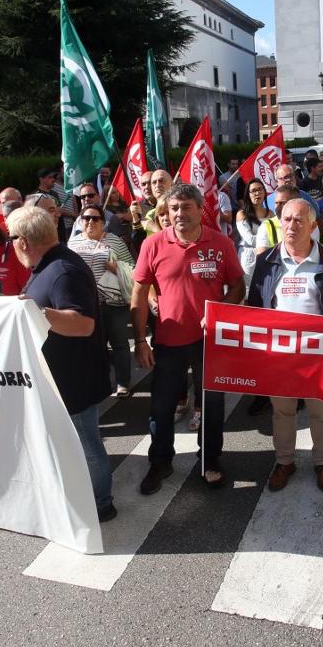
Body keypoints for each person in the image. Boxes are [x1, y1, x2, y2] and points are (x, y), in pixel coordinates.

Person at [131, 183, 244, 493]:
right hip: (168, 341)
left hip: (210, 341)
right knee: (162, 406)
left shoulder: (220, 243)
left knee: (212, 404)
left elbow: (237, 286)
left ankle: (210, 459)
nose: (179, 213)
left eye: (185, 207)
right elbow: (139, 293)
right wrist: (140, 340)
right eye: (173, 208)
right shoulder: (153, 244)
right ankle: (160, 462)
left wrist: (220, 313)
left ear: (199, 209)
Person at [7, 206, 117, 522]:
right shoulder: (50, 264)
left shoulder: (63, 270)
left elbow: (82, 324)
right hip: (63, 376)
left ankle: (101, 505)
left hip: (75, 379)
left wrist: (35, 313)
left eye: (11, 240)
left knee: (87, 445)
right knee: (75, 443)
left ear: (23, 241)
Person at [247, 198, 323, 492]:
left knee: (320, 413)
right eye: (286, 219)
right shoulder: (266, 261)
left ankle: (322, 463)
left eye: (299, 220)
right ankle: (285, 462)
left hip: (318, 354)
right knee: (282, 412)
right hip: (279, 354)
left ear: (313, 225)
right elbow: (254, 306)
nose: (291, 225)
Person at [69, 202, 135, 397]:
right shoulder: (72, 243)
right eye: (86, 218)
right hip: (86, 303)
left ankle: (123, 383)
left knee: (119, 343)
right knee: (94, 345)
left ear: (103, 222)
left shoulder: (115, 241)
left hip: (113, 303)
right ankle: (101, 382)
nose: (90, 222)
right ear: (80, 222)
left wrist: (117, 268)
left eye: (95, 218)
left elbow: (133, 267)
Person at [234, 179, 273, 285]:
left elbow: (277, 236)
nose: (257, 193)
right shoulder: (242, 214)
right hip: (249, 258)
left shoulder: (271, 214)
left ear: (264, 192)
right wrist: (269, 242)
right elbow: (250, 240)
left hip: (268, 256)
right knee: (248, 290)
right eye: (253, 191)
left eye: (260, 189)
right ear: (248, 195)